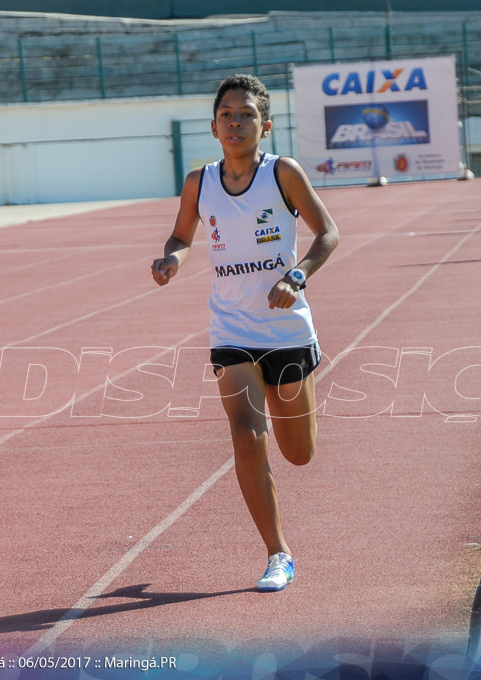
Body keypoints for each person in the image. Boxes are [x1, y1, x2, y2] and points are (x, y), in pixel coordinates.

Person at [151, 74, 339, 592]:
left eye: (247, 114)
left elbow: (328, 233)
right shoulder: (199, 182)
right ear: (213, 127)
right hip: (231, 328)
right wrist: (172, 257)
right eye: (228, 115)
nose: (236, 122)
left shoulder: (283, 173)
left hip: (286, 328)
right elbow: (181, 234)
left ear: (266, 125)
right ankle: (278, 553)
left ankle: (291, 431)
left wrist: (296, 275)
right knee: (245, 436)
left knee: (298, 452)